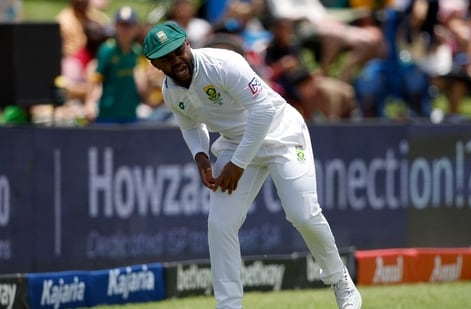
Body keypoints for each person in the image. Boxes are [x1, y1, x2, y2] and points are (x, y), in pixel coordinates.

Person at [143, 21, 362, 309]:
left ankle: (340, 280)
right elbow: (189, 123)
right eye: (165, 58)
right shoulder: (171, 91)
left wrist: (237, 163)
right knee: (220, 225)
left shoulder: (223, 63)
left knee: (303, 214)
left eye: (176, 52)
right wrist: (200, 155)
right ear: (154, 63)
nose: (175, 61)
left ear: (186, 44)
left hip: (282, 134)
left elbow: (264, 109)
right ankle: (229, 305)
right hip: (236, 144)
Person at [86, 6, 148, 123]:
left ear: (135, 28)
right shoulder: (107, 50)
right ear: (115, 26)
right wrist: (89, 103)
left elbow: (142, 78)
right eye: (121, 25)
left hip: (130, 112)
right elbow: (96, 78)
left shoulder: (137, 51)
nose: (125, 30)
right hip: (108, 113)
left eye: (129, 26)